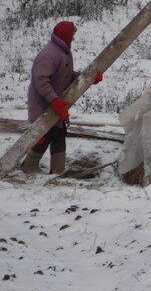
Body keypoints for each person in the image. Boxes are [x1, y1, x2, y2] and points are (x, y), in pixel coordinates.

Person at [22, 21, 103, 175]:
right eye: (72, 34)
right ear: (65, 35)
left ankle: (58, 170)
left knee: (59, 132)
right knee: (45, 134)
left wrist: (89, 78)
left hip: (55, 103)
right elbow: (41, 81)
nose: (73, 38)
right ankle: (29, 166)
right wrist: (55, 101)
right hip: (43, 104)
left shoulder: (64, 52)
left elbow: (67, 77)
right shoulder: (49, 55)